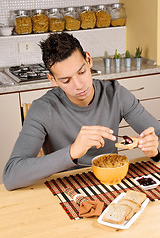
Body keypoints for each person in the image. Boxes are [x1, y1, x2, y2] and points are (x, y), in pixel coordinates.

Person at [3, 32, 160, 191]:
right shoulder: (43, 109)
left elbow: (157, 136)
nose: (78, 85)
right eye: (66, 80)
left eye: (82, 72)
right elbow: (11, 175)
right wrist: (72, 152)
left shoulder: (116, 94)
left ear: (89, 60)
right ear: (52, 80)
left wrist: (155, 149)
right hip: (66, 190)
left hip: (110, 184)